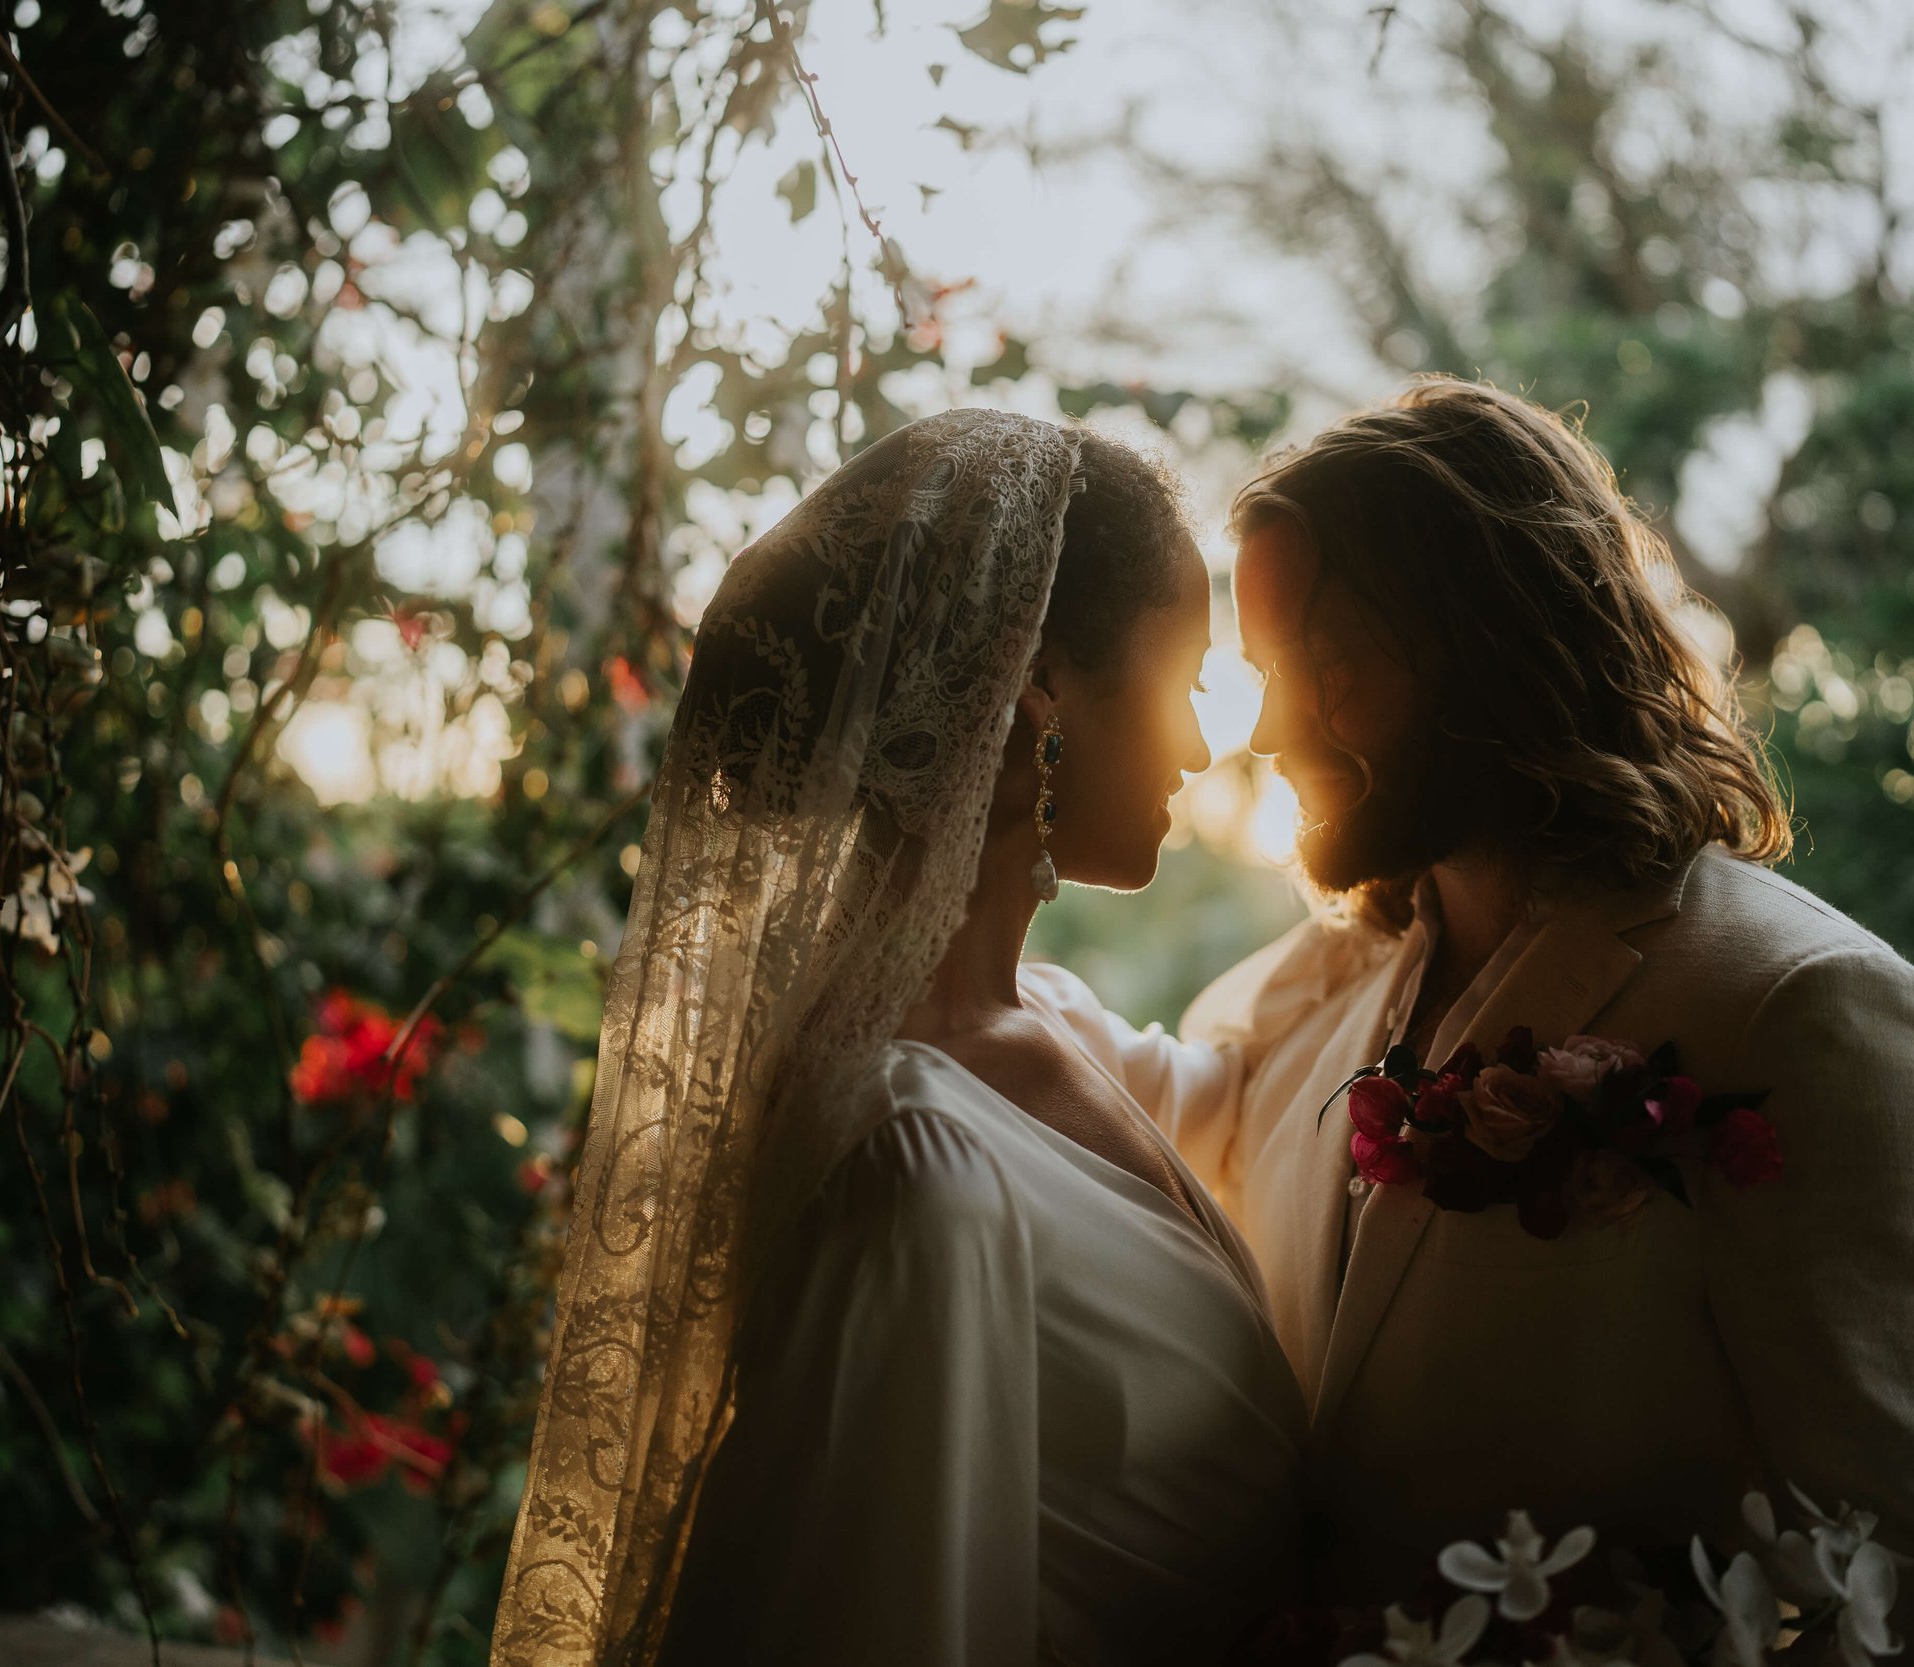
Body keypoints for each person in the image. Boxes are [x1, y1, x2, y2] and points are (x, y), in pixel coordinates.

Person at [1062, 378, 1914, 1662]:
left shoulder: (1806, 1016)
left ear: (1484, 642)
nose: (1264, 730)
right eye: (1259, 672)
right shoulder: (1281, 1003)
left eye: (1322, 664)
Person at [487, 409, 1305, 1667]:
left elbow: (1269, 1064)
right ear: (1041, 693)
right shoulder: (914, 1162)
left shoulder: (1053, 1022)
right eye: (1185, 678)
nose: (1200, 746)